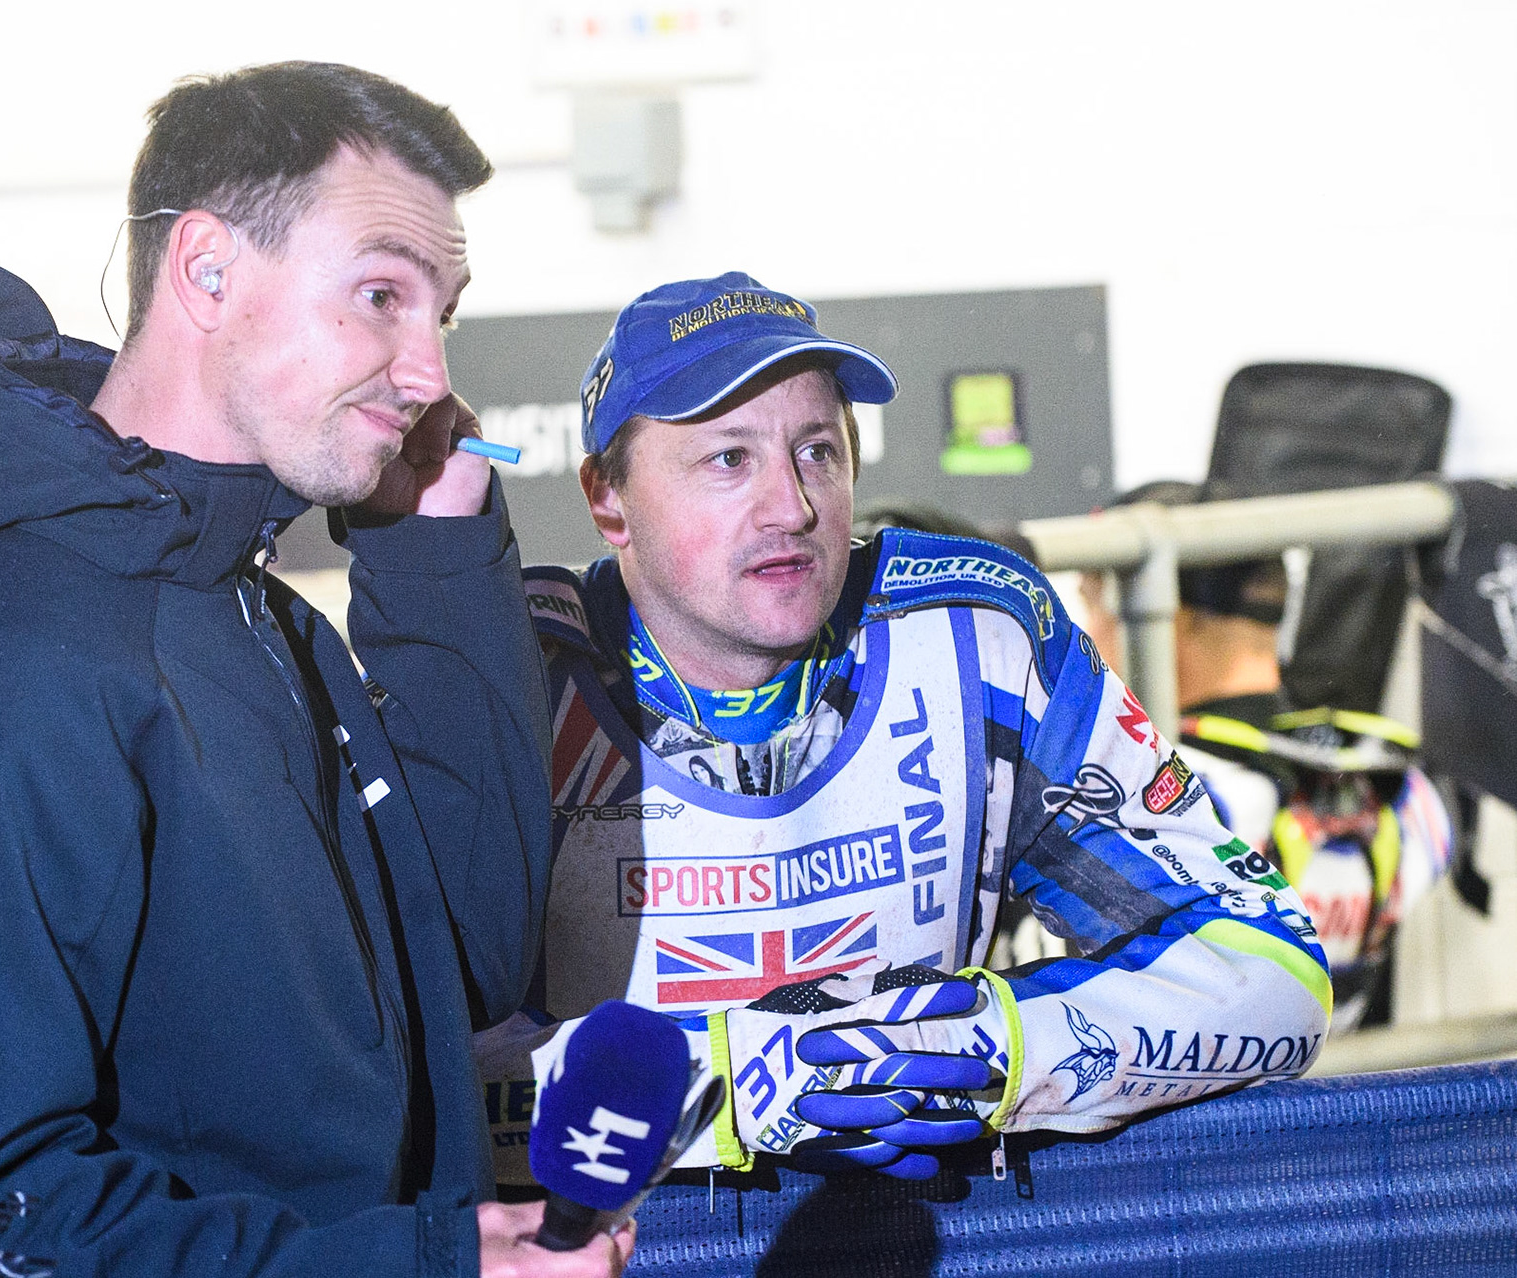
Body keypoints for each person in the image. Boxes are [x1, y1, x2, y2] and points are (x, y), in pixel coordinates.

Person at [0, 63, 630, 1278]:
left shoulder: (250, 614)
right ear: (208, 270)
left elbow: (464, 964)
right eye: (381, 295)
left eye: (444, 311)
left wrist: (435, 544)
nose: (430, 369)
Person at [482, 273, 1331, 1180]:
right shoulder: (512, 687)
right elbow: (369, 1090)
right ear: (606, 500)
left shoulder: (979, 637)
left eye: (817, 451)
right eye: (729, 459)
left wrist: (999, 1048)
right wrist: (723, 1088)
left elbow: (1274, 973)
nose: (793, 508)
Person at [1068, 482, 1451, 1032]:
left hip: (1192, 1114)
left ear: (1158, 615)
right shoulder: (1407, 790)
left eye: (1092, 609)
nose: (1087, 638)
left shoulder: (1148, 799)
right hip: (1351, 1103)